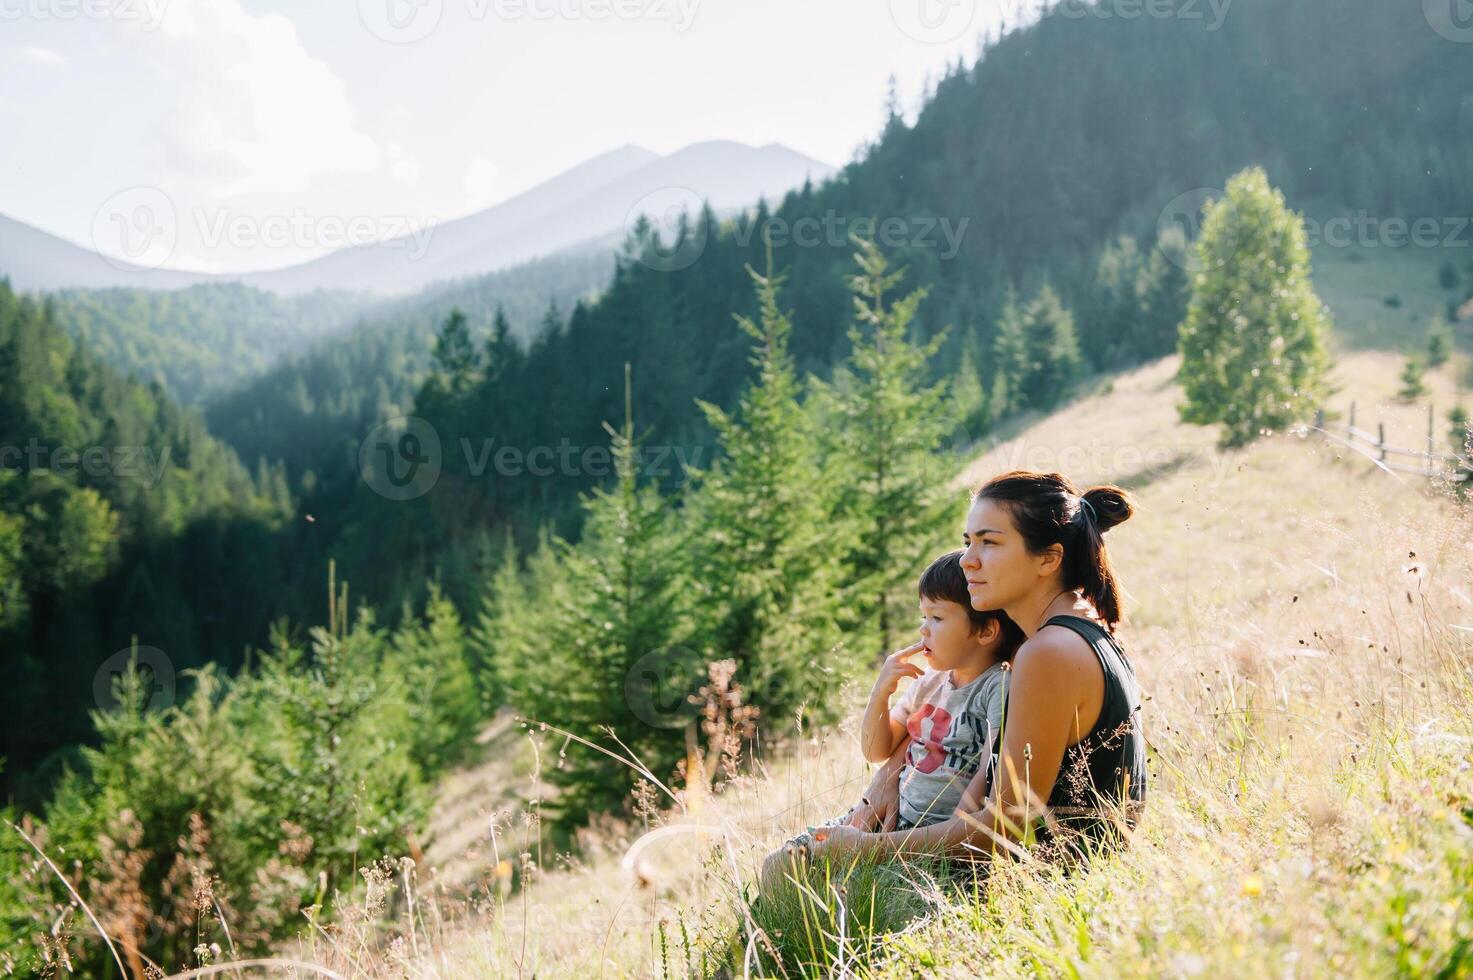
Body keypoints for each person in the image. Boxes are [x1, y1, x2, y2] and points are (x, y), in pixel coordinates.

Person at [804, 471, 1148, 866]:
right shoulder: (1073, 632)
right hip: (1035, 869)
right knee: (795, 858)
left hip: (1046, 883)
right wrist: (890, 773)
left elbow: (1008, 825)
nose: (967, 560)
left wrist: (862, 849)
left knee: (791, 865)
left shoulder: (1049, 652)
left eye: (989, 542)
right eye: (969, 542)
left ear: (1048, 559)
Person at [761, 551, 1024, 890]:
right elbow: (875, 750)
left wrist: (948, 855)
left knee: (848, 888)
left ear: (986, 631)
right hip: (886, 822)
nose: (923, 629)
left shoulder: (996, 687)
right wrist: (881, 692)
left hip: (928, 843)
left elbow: (984, 782)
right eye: (923, 616)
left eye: (937, 618)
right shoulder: (930, 682)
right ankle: (769, 931)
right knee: (781, 864)